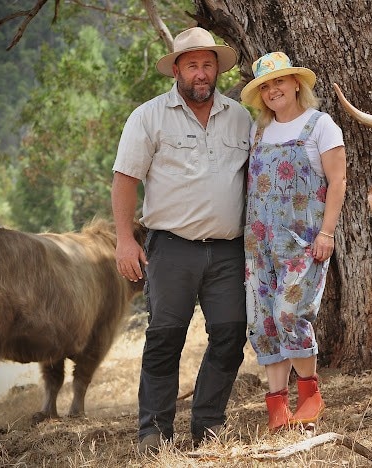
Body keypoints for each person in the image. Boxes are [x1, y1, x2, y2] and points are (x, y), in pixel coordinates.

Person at [111, 27, 252, 452]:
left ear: (217, 69)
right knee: (164, 336)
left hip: (229, 248)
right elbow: (124, 180)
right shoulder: (149, 116)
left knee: (230, 334)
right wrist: (124, 240)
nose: (201, 73)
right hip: (171, 247)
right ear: (176, 69)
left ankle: (208, 424)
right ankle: (154, 430)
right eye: (192, 65)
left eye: (208, 64)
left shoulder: (241, 116)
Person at [240, 52, 347, 432]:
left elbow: (338, 181)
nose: (273, 90)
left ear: (296, 83)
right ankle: (276, 408)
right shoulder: (258, 131)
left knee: (289, 312)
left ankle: (310, 395)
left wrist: (327, 233)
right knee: (264, 320)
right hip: (258, 244)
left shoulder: (320, 125)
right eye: (265, 86)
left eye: (279, 82)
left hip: (303, 242)